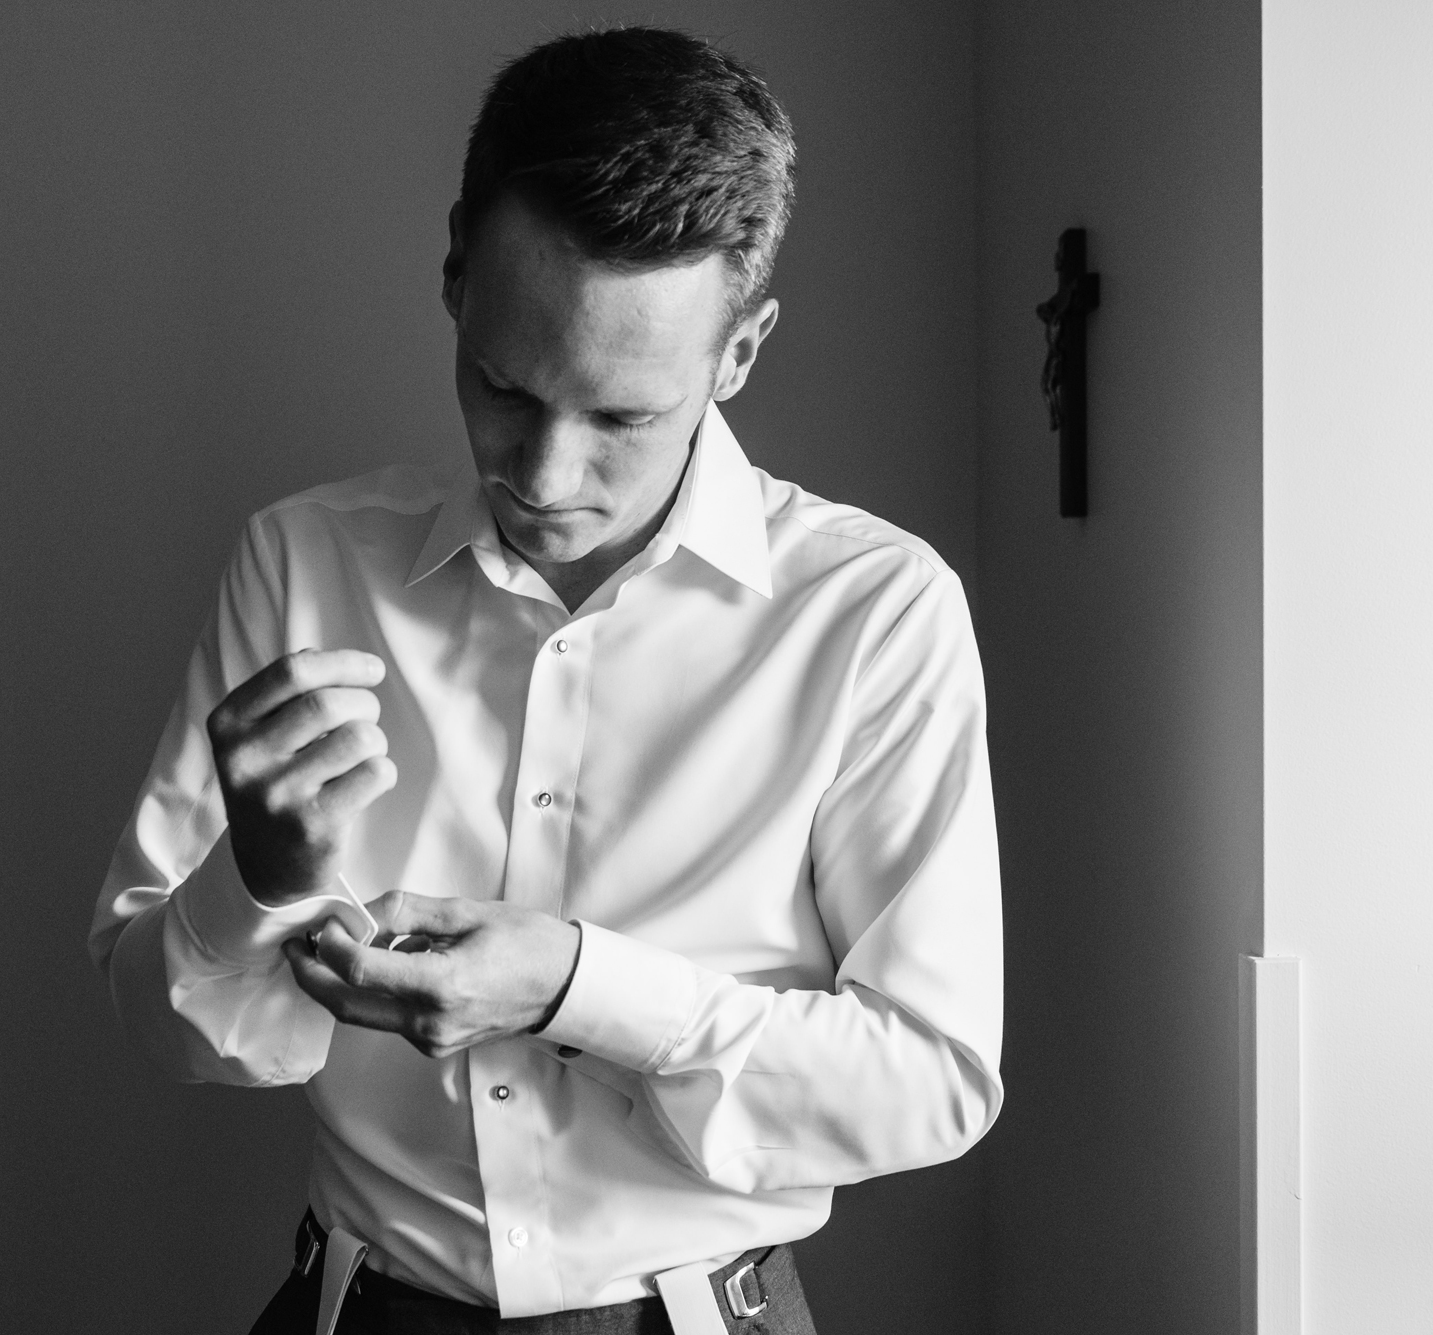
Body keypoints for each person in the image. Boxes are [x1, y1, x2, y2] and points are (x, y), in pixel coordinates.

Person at [88, 26, 1002, 1335]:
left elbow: (932, 1083)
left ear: (739, 352)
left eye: (623, 416)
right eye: (504, 386)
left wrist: (576, 988)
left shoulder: (873, 614)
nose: (546, 473)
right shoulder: (300, 564)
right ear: (456, 275)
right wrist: (263, 876)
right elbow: (158, 1020)